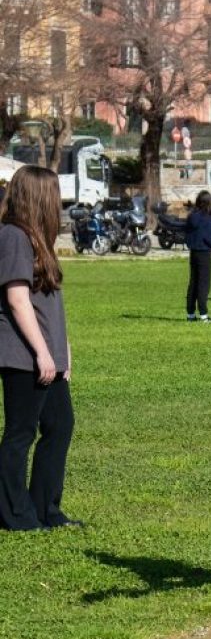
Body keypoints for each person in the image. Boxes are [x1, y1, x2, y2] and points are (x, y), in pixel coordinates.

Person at [0, 166, 79, 530]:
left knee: (60, 425)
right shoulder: (14, 236)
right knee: (20, 433)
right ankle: (16, 515)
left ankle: (46, 508)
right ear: (38, 196)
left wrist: (62, 349)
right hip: (22, 354)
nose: (58, 199)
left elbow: (49, 303)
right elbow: (17, 299)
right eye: (53, 192)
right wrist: (42, 353)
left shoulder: (38, 238)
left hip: (47, 354)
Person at [184, 191, 211, 323]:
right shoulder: (207, 218)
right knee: (204, 283)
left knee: (193, 282)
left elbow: (187, 232)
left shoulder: (192, 216)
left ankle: (191, 313)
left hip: (193, 251)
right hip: (204, 252)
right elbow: (210, 238)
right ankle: (203, 313)